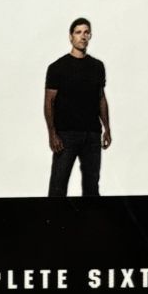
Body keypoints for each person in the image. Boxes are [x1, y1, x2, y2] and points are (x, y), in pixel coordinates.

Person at [44, 17, 111, 197]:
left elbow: (101, 98)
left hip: (92, 134)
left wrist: (107, 128)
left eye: (86, 32)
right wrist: (52, 134)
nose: (83, 36)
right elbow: (49, 101)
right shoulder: (57, 67)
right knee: (58, 186)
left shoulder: (97, 66)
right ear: (71, 36)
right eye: (78, 32)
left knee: (92, 187)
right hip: (66, 135)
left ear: (90, 36)